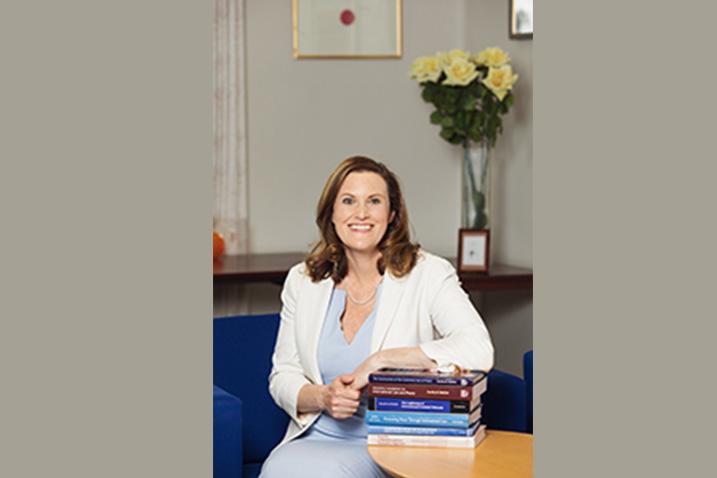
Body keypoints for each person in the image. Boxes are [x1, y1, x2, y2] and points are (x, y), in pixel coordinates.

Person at [259, 156, 494, 478]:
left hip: (393, 445)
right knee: (279, 469)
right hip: (314, 437)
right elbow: (283, 375)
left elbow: (478, 349)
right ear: (332, 213)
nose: (361, 213)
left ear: (392, 215)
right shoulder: (303, 280)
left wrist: (382, 360)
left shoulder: (428, 273)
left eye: (374, 201)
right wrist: (324, 397)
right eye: (348, 201)